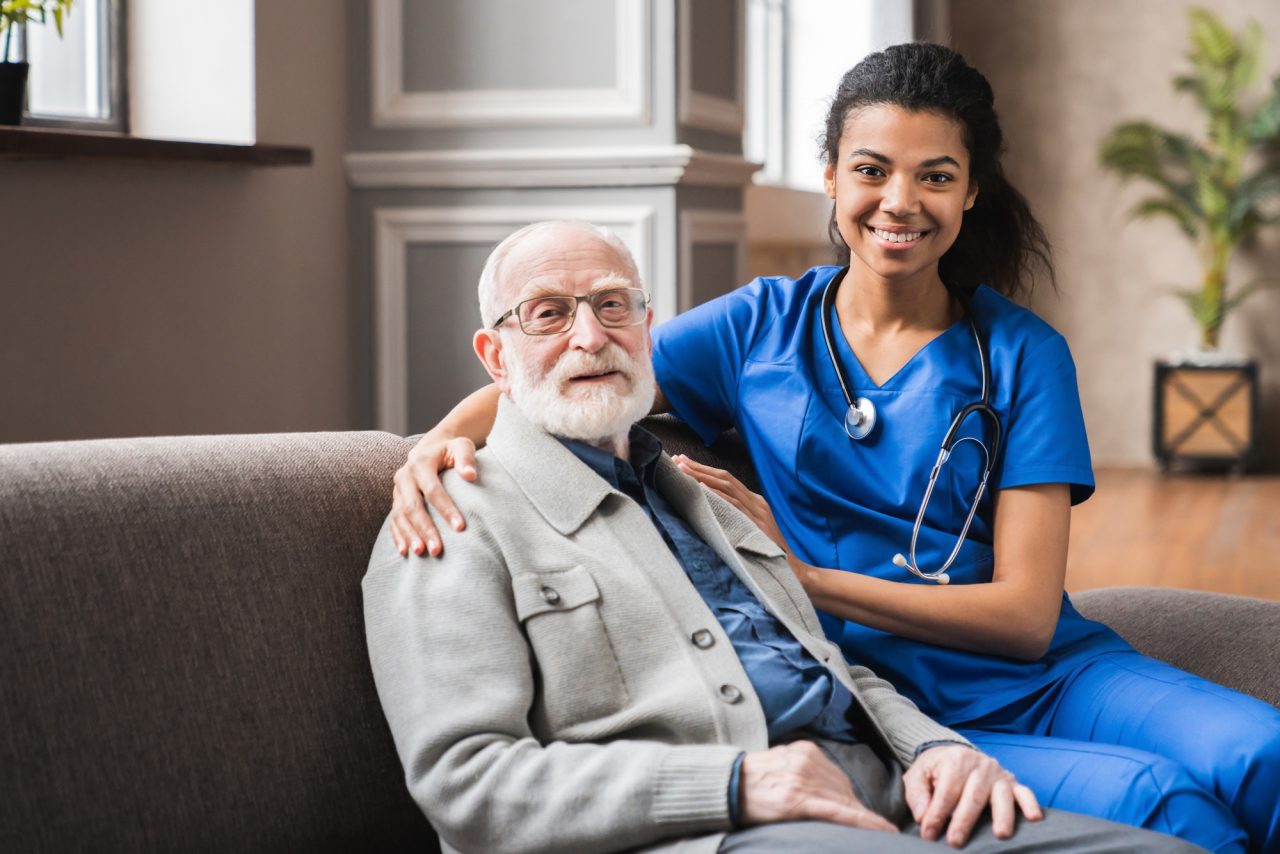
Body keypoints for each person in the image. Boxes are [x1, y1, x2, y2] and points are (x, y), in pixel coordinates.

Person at [386, 45, 1280, 854]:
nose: (900, 202)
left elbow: (1024, 618)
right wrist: (431, 448)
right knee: (1171, 809)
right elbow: (580, 364)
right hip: (895, 707)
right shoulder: (757, 325)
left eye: (936, 176)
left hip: (1045, 674)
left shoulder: (1022, 353)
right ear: (829, 179)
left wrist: (799, 580)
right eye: (871, 170)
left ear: (972, 192)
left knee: (1262, 754)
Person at [362, 220, 1197, 854]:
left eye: (613, 306)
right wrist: (733, 783)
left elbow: (831, 665)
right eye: (548, 314)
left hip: (893, 789)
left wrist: (935, 747)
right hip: (719, 830)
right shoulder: (451, 520)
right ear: (494, 357)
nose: (590, 336)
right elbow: (466, 783)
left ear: (649, 330)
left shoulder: (707, 498)